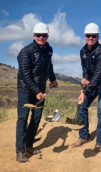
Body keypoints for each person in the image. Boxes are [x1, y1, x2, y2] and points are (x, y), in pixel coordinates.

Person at [16, 22, 58, 163]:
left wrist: (52, 79)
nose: (41, 37)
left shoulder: (49, 50)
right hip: (25, 89)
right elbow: (25, 74)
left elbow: (49, 66)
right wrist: (36, 91)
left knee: (36, 118)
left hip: (40, 89)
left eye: (44, 35)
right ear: (34, 36)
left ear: (47, 36)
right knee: (23, 119)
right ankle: (20, 151)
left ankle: (29, 146)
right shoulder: (25, 52)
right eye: (38, 35)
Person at [71, 23, 101, 152]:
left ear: (98, 36)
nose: (91, 38)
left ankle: (100, 142)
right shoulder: (83, 51)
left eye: (93, 36)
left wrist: (86, 91)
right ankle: (84, 136)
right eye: (88, 35)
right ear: (85, 36)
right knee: (82, 105)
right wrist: (85, 79)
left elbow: (98, 75)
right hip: (92, 82)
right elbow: (85, 69)